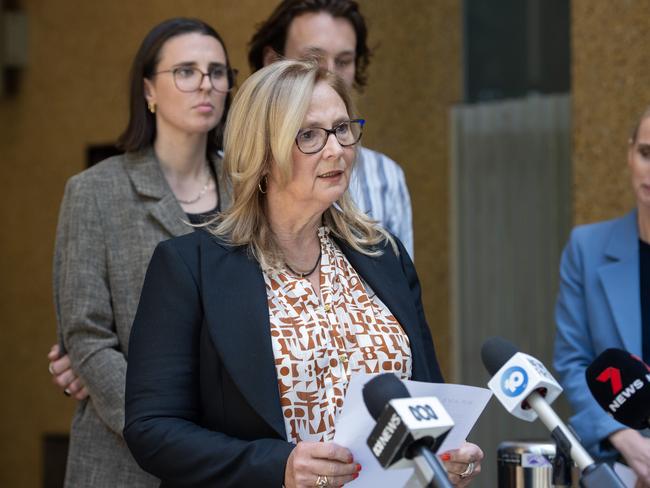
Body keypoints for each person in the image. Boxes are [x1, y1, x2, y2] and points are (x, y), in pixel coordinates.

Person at [124, 59, 482, 488]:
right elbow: (152, 430)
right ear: (262, 154)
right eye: (309, 135)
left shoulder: (383, 254)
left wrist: (445, 453)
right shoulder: (189, 267)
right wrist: (279, 466)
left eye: (342, 128)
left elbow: (427, 397)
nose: (336, 149)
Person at [50, 17, 236, 487]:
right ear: (149, 90)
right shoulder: (95, 191)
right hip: (124, 455)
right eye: (186, 71)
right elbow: (86, 335)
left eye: (217, 72)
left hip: (234, 450)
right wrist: (162, 427)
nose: (206, 85)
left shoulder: (250, 185)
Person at [248, 0, 415, 257]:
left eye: (344, 61)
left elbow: (400, 289)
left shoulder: (387, 176)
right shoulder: (238, 170)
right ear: (272, 61)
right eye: (313, 59)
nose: (329, 74)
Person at [554, 106, 650, 485]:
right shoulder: (587, 248)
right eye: (646, 153)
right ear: (629, 154)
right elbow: (573, 361)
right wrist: (626, 440)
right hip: (617, 463)